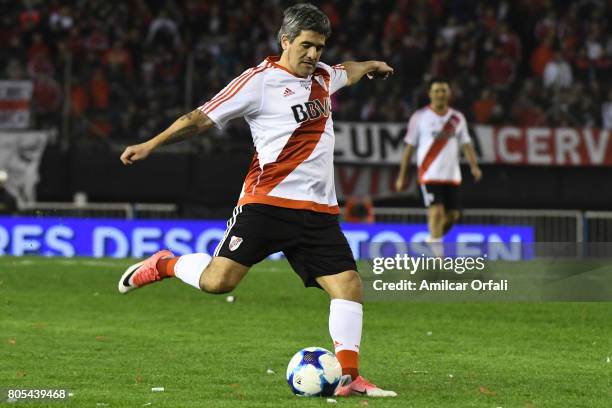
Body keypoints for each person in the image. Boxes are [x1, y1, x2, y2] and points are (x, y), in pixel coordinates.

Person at [118, 3, 396, 398]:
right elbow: (199, 118)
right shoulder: (257, 82)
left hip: (317, 212)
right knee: (218, 281)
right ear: (285, 41)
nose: (314, 54)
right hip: (267, 204)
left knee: (349, 285)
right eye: (306, 46)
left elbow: (346, 70)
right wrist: (151, 144)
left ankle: (350, 378)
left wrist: (371, 64)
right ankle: (163, 264)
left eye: (319, 46)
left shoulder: (322, 76)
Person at [395, 77, 482, 246]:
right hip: (429, 174)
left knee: (453, 215)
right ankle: (437, 258)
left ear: (449, 94)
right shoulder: (419, 117)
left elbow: (467, 144)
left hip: (452, 175)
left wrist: (474, 167)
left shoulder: (457, 118)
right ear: (430, 94)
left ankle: (433, 240)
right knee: (436, 212)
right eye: (436, 91)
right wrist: (401, 177)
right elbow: (408, 150)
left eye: (443, 91)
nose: (440, 94)